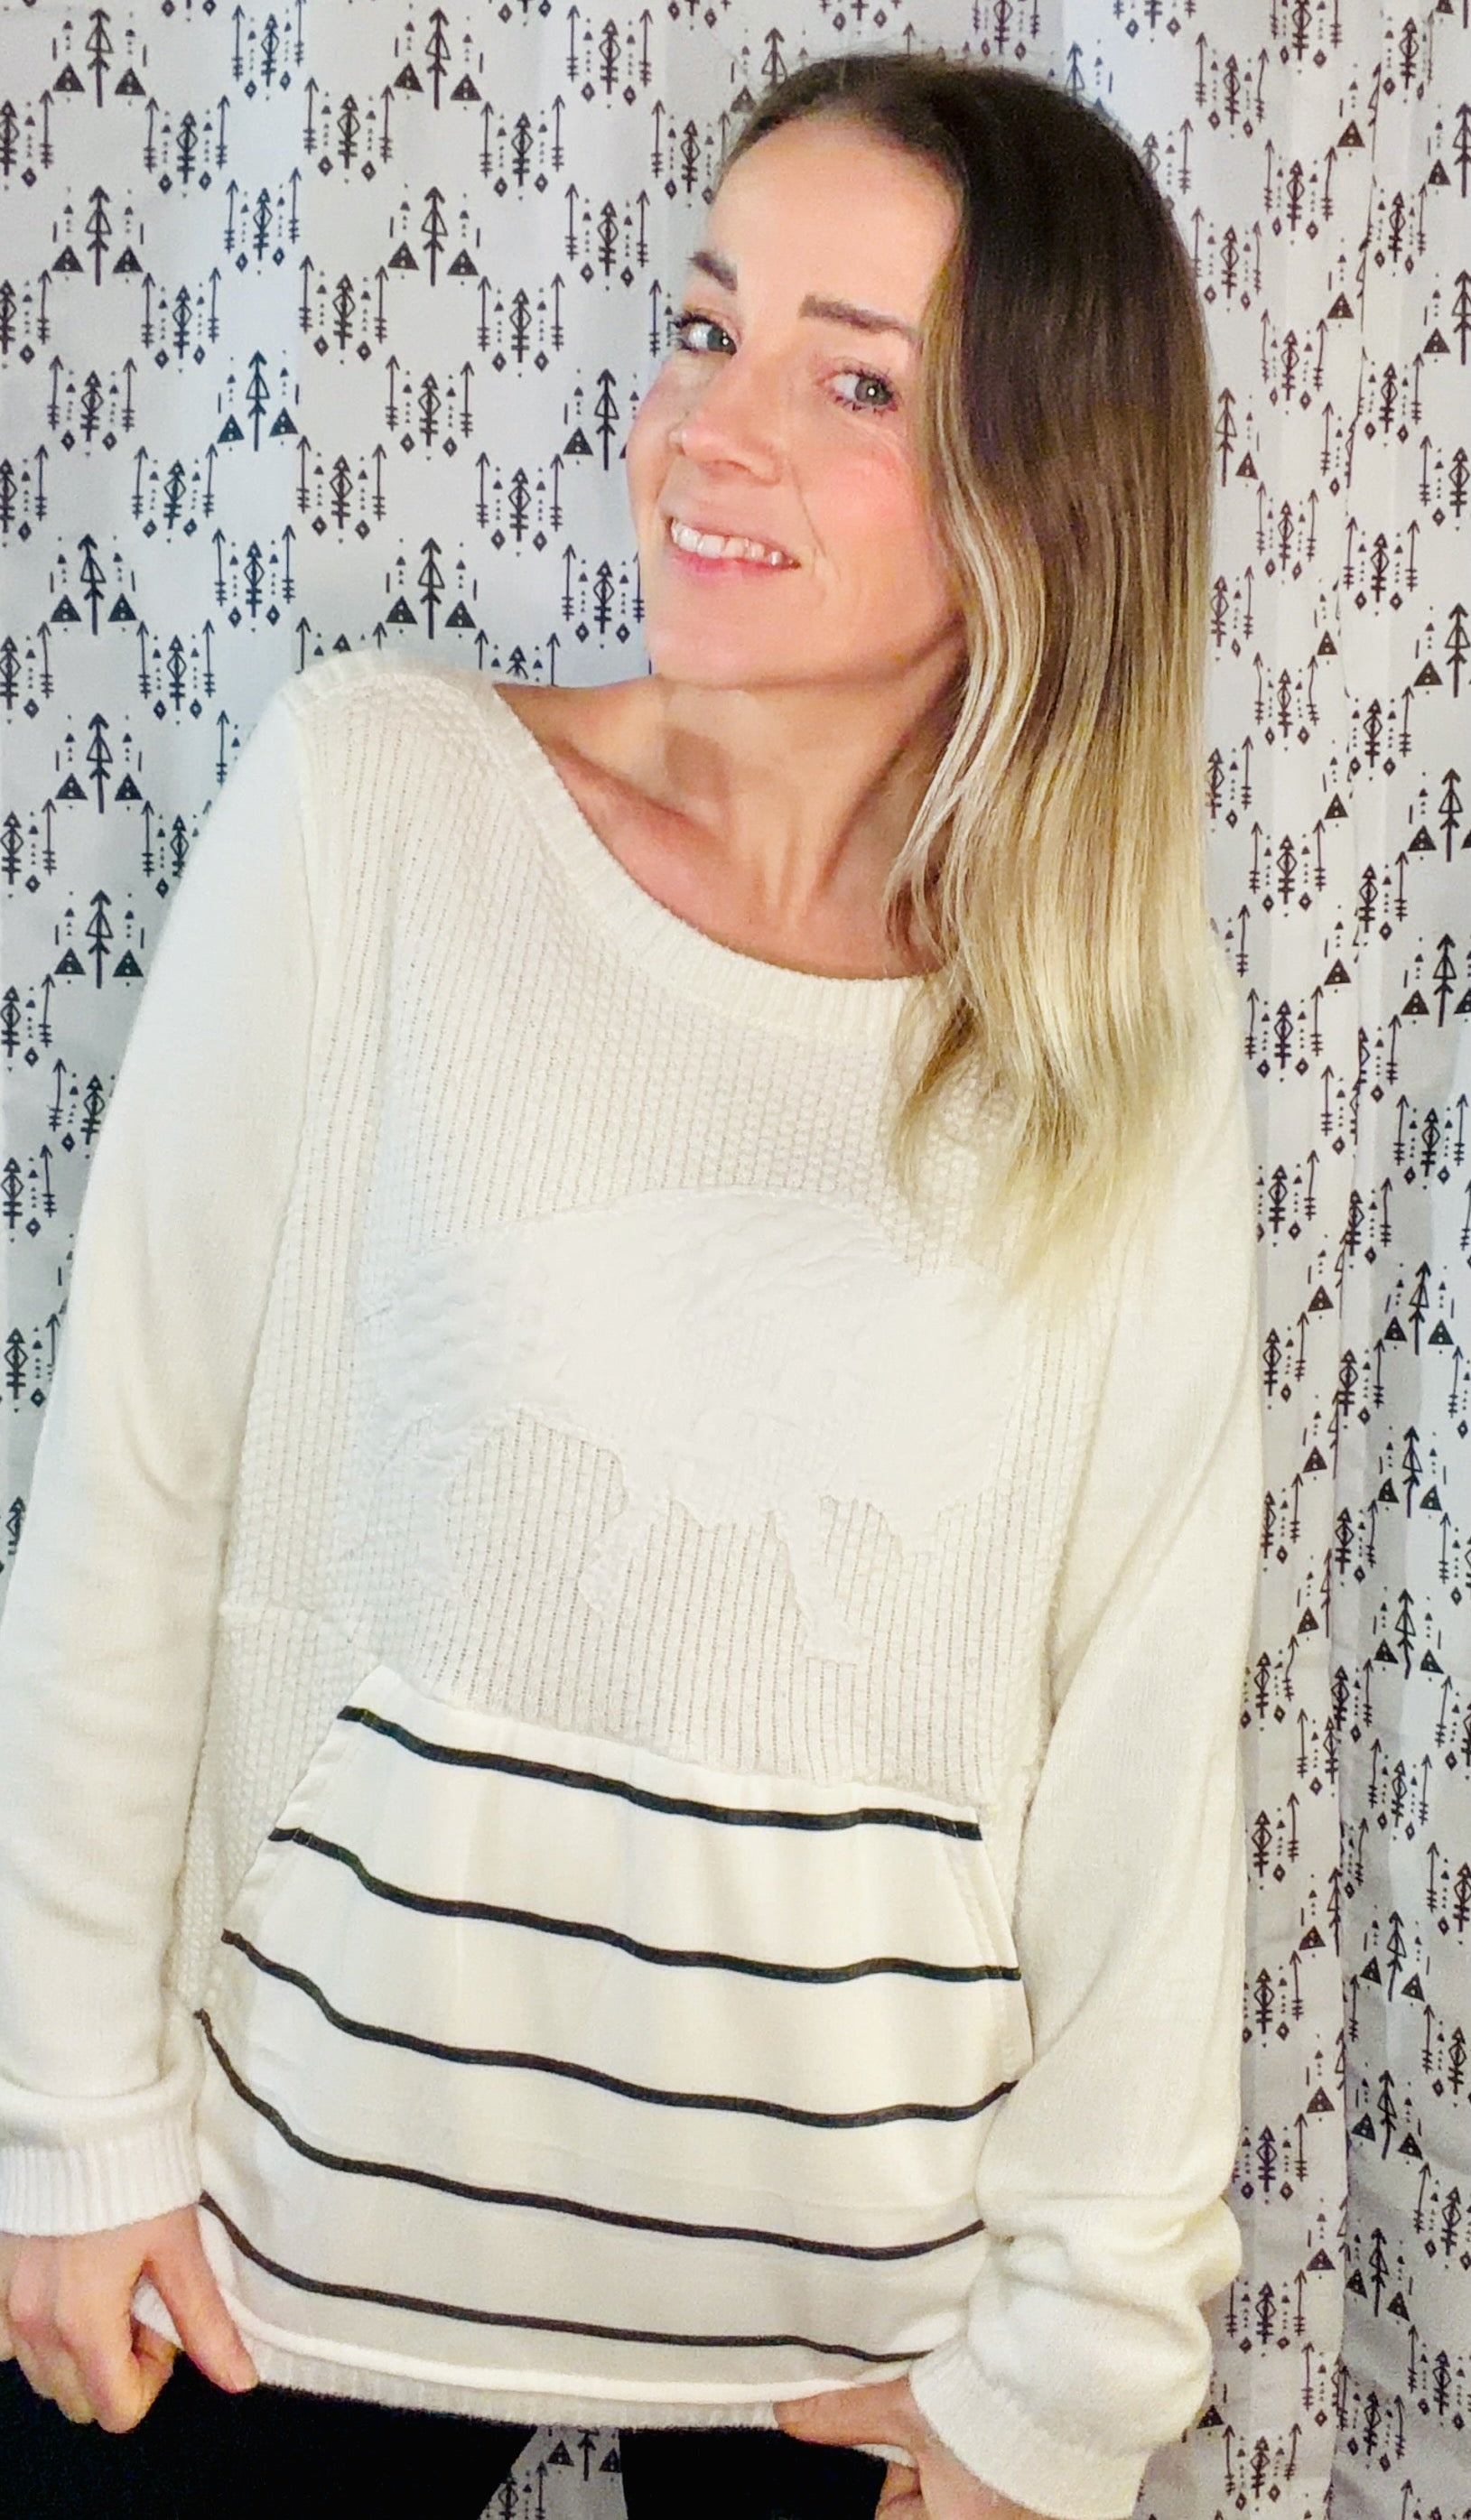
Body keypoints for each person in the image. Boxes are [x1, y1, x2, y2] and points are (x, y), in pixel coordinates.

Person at [0, 48, 1263, 2520]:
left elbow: (1144, 1718)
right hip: (265, 2271)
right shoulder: (377, 803)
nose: (708, 429)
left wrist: (1077, 2366)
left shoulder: (1118, 1018)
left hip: (854, 2345)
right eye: (707, 327)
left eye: (853, 380)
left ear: (1046, 482)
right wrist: (62, 2110)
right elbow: (127, 1495)